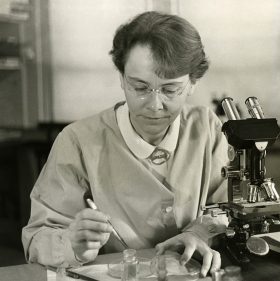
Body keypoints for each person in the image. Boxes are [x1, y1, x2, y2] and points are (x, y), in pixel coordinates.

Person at [22, 11, 229, 277]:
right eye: (140, 87)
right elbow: (36, 238)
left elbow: (229, 209)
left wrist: (199, 232)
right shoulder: (77, 141)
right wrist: (71, 244)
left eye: (170, 90)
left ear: (192, 83)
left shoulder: (207, 129)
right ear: (121, 77)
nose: (155, 106)